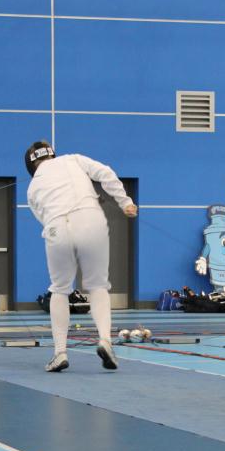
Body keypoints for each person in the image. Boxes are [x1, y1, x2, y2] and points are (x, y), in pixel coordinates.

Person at [25, 141, 137, 372]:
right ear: (52, 154)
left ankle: (60, 353)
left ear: (31, 165)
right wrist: (125, 202)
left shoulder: (32, 188)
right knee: (97, 285)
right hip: (90, 220)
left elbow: (43, 218)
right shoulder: (72, 159)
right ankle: (105, 340)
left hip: (56, 227)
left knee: (60, 289)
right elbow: (105, 173)